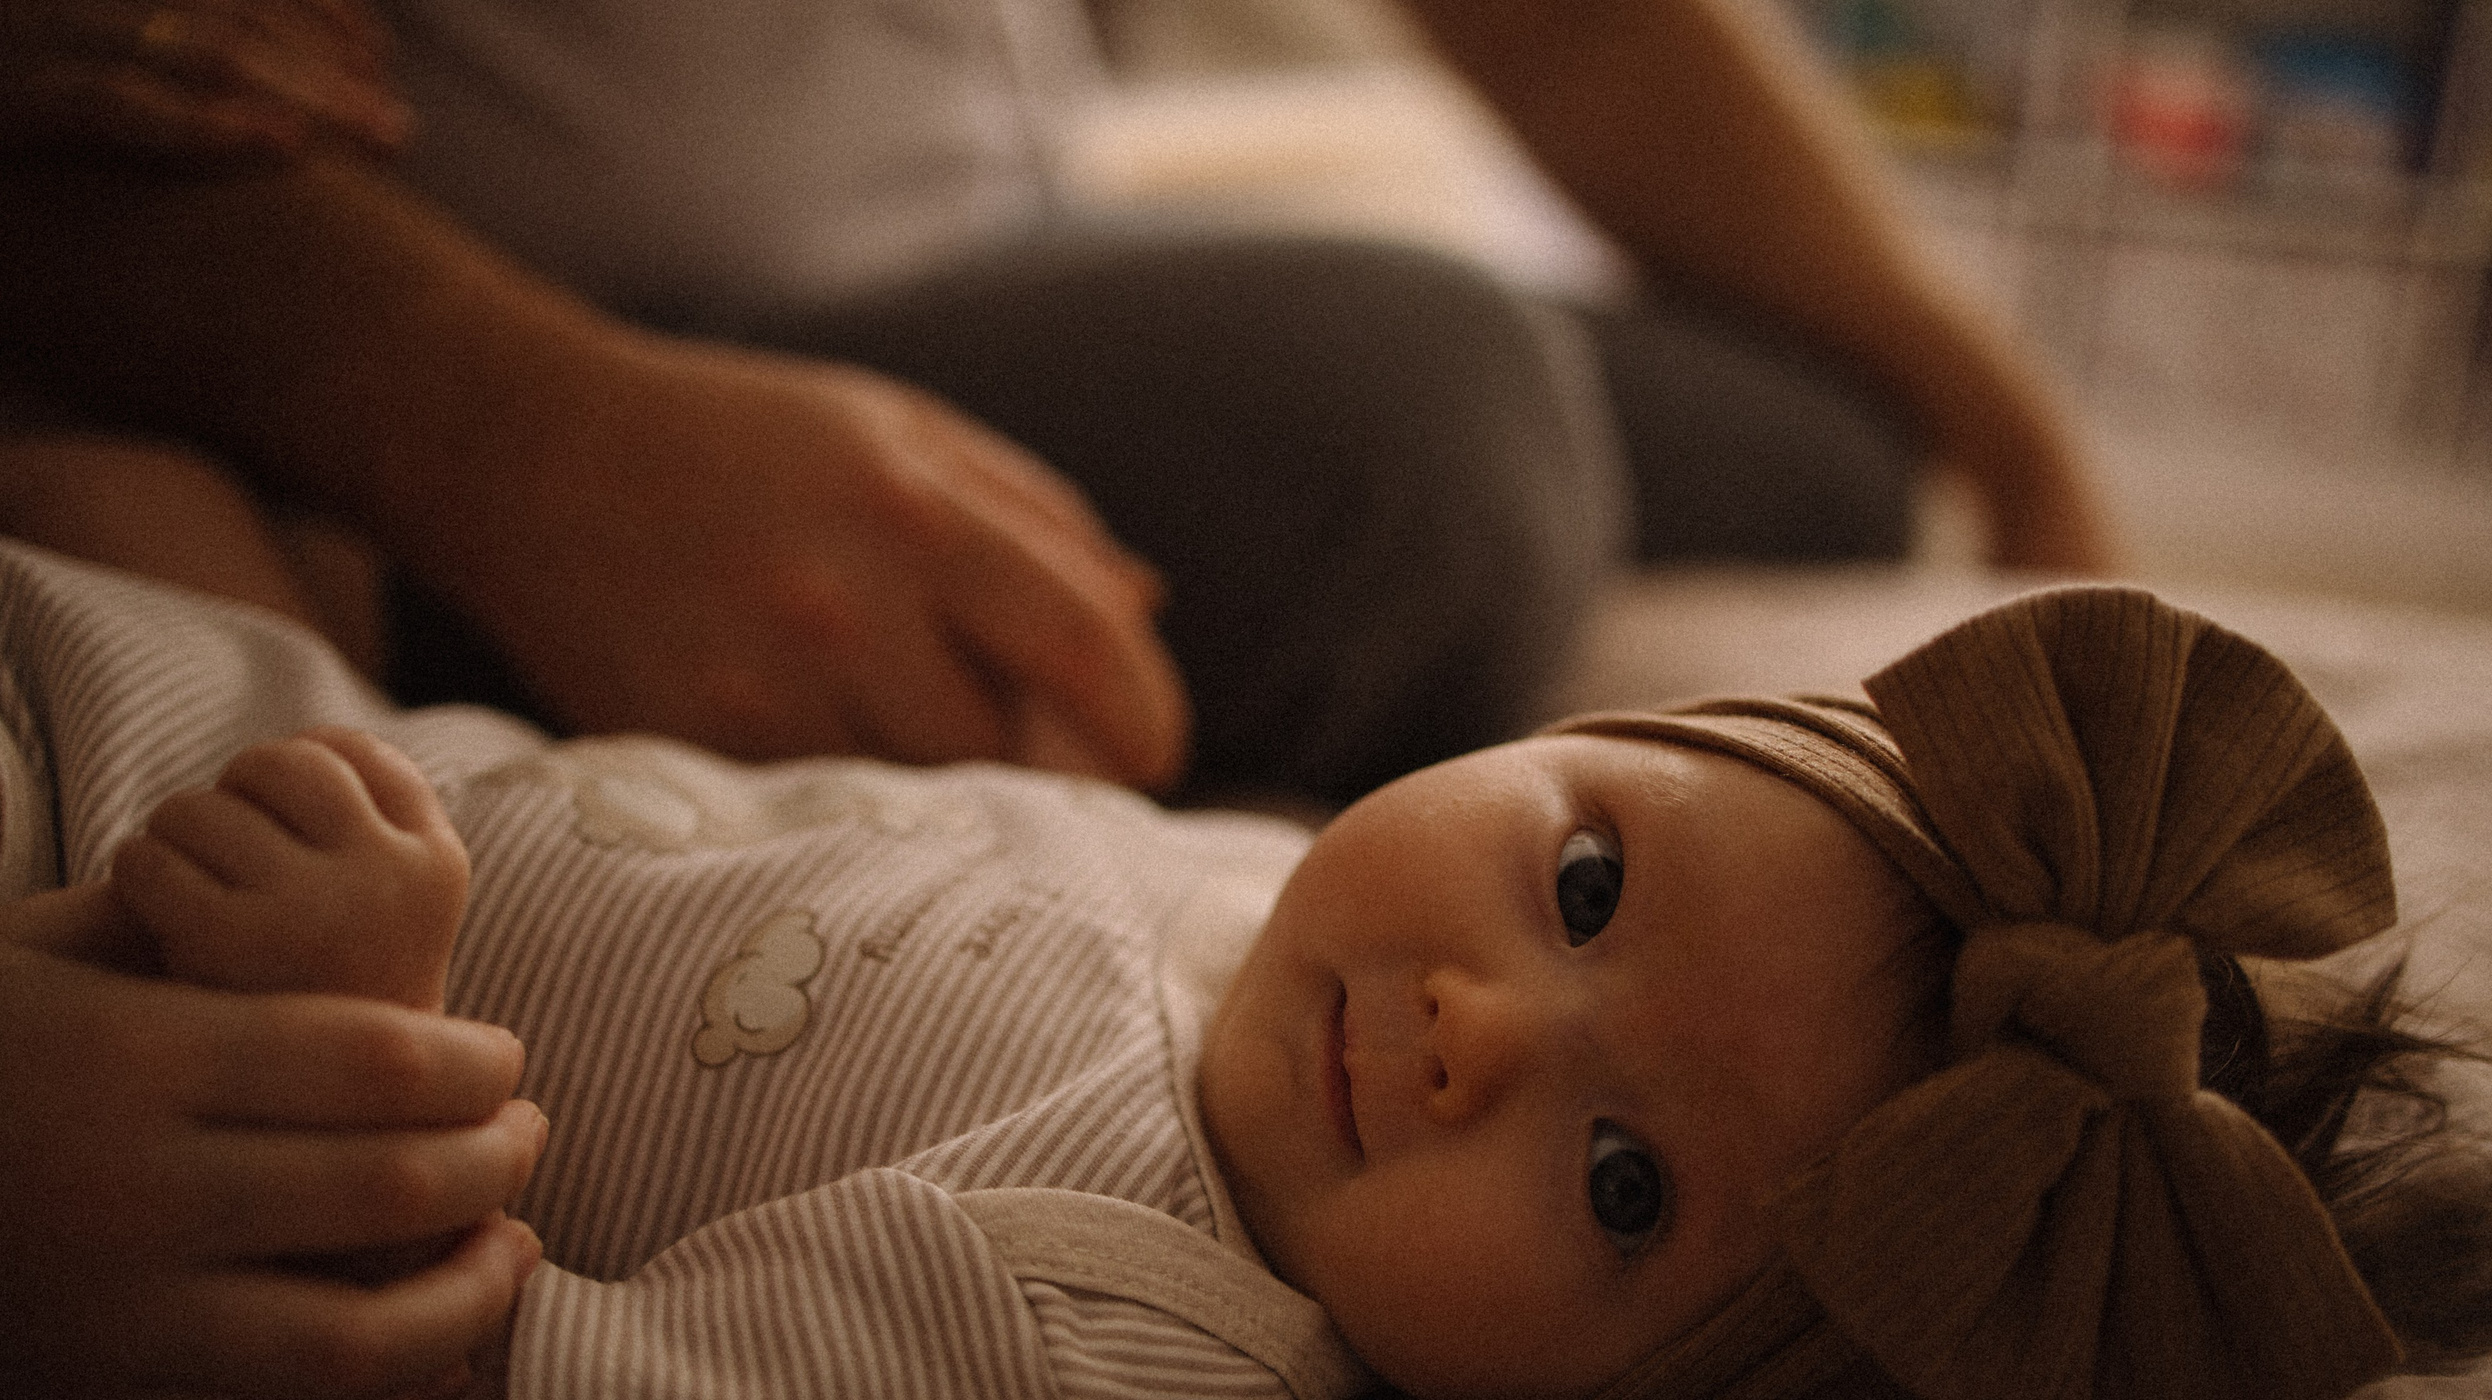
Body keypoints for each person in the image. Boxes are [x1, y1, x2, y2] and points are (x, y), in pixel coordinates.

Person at [3, 535, 2454, 1400]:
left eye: (1620, 1182)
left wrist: (352, 1043)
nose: (1481, 1025)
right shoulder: (1276, 880)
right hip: (165, 692)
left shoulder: (1118, 1319)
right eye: (1585, 874)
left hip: (144, 966)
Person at [1, 0, 2116, 808]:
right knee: (1428, 427)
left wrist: (2010, 443)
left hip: (979, 245)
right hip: (501, 361)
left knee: (1825, 442)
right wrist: (509, 435)